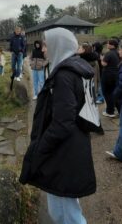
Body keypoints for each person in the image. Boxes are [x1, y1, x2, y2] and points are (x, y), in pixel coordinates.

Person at [20, 27, 96, 224]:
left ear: (57, 46)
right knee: (68, 206)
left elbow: (63, 122)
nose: (43, 50)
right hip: (72, 146)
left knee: (64, 214)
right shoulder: (75, 68)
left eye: (46, 45)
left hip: (63, 152)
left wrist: (41, 148)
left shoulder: (63, 75)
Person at [101, 39, 120, 118]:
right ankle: (119, 110)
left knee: (107, 93)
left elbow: (104, 64)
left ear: (112, 45)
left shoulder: (109, 53)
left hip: (108, 75)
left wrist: (101, 59)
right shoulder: (118, 52)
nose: (107, 45)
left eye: (108, 44)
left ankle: (110, 111)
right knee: (114, 93)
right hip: (116, 75)